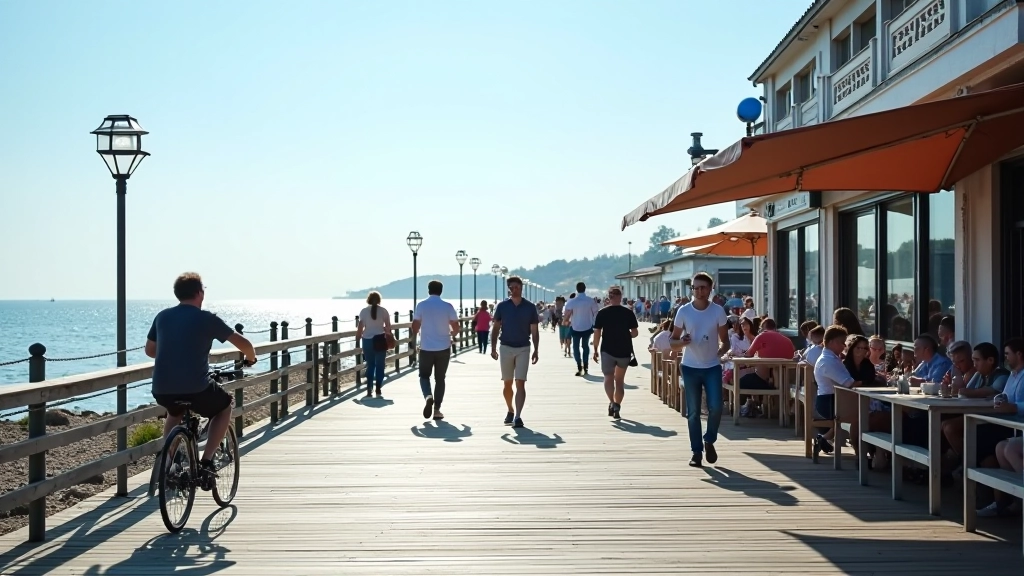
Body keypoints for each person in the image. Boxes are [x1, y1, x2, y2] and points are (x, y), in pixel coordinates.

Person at [146, 272, 257, 488]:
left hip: (162, 388)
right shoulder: (207, 319)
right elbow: (244, 344)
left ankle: (167, 464)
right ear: (199, 293)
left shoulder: (162, 316)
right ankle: (207, 462)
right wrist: (251, 358)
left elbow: (150, 351)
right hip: (196, 387)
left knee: (174, 412)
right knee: (224, 407)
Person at [669, 272, 729, 468]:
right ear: (692, 289)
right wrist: (682, 342)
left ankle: (709, 439)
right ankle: (696, 452)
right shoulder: (684, 311)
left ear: (711, 289)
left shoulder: (718, 311)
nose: (699, 291)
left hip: (711, 365)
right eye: (696, 287)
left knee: (716, 406)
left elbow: (725, 341)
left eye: (703, 287)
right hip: (690, 366)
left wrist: (720, 353)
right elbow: (672, 341)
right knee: (693, 412)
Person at [491, 276, 540, 428]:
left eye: (516, 287)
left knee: (520, 382)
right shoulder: (502, 306)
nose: (514, 290)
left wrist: (536, 349)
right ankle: (510, 410)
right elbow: (496, 327)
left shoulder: (530, 307)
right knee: (507, 383)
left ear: (521, 288)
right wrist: (492, 347)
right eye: (511, 288)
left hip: (523, 347)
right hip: (505, 346)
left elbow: (534, 330)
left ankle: (518, 415)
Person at [411, 280, 460, 421]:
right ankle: (437, 410)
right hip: (444, 347)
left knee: (424, 376)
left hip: (426, 347)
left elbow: (414, 327)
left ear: (428, 290)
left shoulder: (421, 305)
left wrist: (418, 333)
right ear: (441, 291)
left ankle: (428, 396)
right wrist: (451, 335)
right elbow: (456, 327)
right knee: (440, 379)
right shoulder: (447, 306)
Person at [592, 287, 638, 419]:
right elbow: (634, 333)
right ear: (621, 296)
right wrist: (625, 334)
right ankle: (617, 404)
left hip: (607, 350)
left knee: (608, 377)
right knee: (619, 380)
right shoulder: (628, 313)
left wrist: (595, 350)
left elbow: (597, 333)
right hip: (624, 351)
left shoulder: (602, 313)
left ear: (609, 297)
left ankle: (612, 402)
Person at [812, 325, 854, 455]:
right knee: (865, 414)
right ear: (831, 342)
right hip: (828, 402)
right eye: (842, 343)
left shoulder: (833, 358)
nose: (844, 346)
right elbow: (848, 383)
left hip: (834, 399)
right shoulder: (827, 361)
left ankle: (824, 438)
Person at [356, 291, 392, 398]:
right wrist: (387, 333)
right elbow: (388, 327)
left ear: (368, 299)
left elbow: (360, 327)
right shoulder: (384, 311)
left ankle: (369, 388)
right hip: (380, 339)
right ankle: (378, 388)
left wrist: (357, 339)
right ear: (379, 300)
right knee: (380, 365)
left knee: (370, 365)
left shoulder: (363, 311)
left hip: (367, 340)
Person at [563, 281, 600, 377]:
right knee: (585, 346)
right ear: (585, 288)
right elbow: (596, 313)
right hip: (587, 327)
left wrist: (565, 322)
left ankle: (579, 366)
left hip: (575, 327)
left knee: (575, 347)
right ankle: (586, 366)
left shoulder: (572, 301)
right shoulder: (590, 301)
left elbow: (567, 314)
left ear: (577, 289)